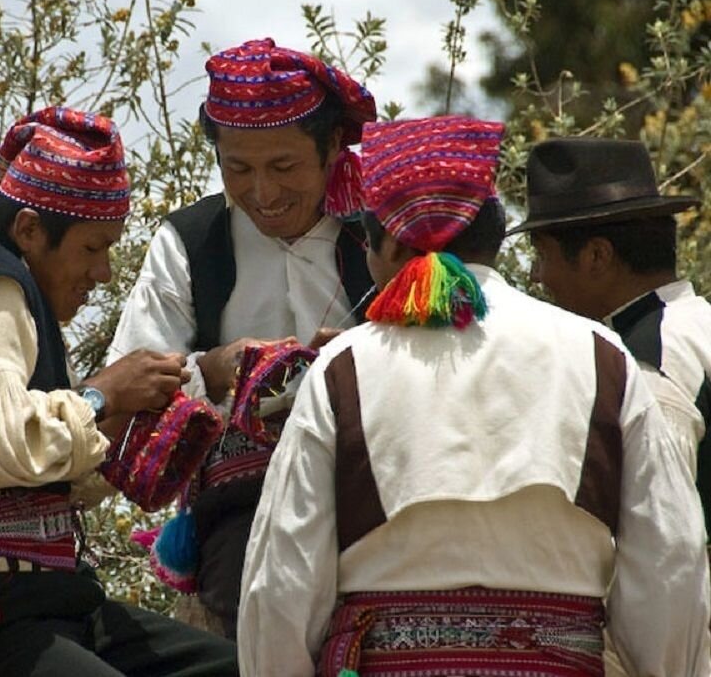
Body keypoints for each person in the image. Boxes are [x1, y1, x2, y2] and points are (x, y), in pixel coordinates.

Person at [237, 115, 711, 677]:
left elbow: (281, 586)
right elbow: (669, 565)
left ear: (390, 240)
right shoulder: (602, 356)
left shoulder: (344, 368)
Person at [0, 106, 238, 676]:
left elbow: (33, 473)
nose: (102, 273)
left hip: (50, 602)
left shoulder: (17, 291)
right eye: (91, 248)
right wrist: (102, 396)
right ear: (30, 228)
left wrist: (173, 405)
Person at [107, 37, 377, 636]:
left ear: (334, 145)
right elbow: (123, 392)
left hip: (373, 517)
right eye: (239, 169)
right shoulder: (191, 243)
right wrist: (212, 370)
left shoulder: (381, 235)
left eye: (284, 167)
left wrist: (364, 359)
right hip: (236, 534)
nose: (263, 193)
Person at [510, 137, 710, 517]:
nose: (537, 276)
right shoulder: (693, 325)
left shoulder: (651, 359)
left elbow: (666, 531)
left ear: (597, 255)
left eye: (542, 255)